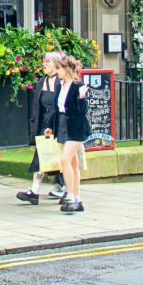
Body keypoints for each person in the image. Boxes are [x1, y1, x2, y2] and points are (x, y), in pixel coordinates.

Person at [16, 51, 77, 205]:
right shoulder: (41, 81)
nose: (44, 63)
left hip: (59, 124)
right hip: (44, 125)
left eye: (48, 61)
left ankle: (66, 189)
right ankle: (35, 191)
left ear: (56, 64)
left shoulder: (61, 81)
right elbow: (37, 107)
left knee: (62, 159)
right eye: (44, 61)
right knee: (41, 156)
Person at [55, 52, 90, 213]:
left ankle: (69, 195)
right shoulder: (60, 85)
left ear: (67, 69)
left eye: (59, 68)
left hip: (76, 128)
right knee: (73, 163)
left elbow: (82, 111)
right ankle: (78, 199)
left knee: (64, 160)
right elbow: (59, 108)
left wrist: (82, 98)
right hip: (63, 125)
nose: (57, 72)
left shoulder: (78, 86)